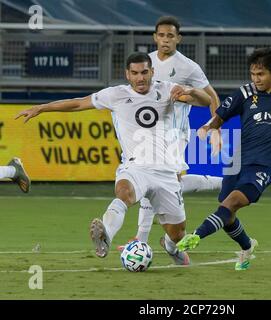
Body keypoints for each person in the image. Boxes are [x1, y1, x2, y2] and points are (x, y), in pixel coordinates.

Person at [15, 52, 211, 265]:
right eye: (135, 73)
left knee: (177, 234)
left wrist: (190, 90)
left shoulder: (167, 89)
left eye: (144, 72)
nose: (140, 78)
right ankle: (105, 234)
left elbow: (205, 100)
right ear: (127, 74)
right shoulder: (116, 95)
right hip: (136, 167)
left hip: (166, 172)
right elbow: (78, 104)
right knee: (124, 193)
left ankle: (170, 246)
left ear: (152, 72)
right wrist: (42, 108)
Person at [177, 47, 271, 270]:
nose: (256, 79)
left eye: (261, 74)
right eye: (253, 74)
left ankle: (196, 235)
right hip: (238, 160)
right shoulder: (245, 93)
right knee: (226, 212)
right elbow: (220, 116)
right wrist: (210, 129)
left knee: (231, 202)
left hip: (263, 165)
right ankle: (247, 247)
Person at [134, 16, 223, 245]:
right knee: (158, 183)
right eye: (161, 35)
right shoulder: (146, 63)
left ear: (178, 39)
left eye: (170, 36)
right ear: (155, 37)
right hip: (148, 134)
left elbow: (212, 97)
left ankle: (143, 240)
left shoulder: (188, 67)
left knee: (159, 182)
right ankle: (221, 182)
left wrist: (215, 129)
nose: (165, 40)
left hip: (175, 133)